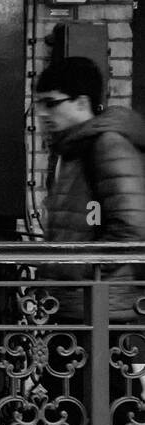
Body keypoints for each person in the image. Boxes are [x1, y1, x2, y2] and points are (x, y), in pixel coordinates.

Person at [36, 56, 145, 323]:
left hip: (104, 309)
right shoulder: (72, 148)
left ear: (82, 103)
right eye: (39, 104)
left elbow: (132, 226)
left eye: (51, 103)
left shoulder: (107, 144)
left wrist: (79, 268)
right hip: (80, 305)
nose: (42, 113)